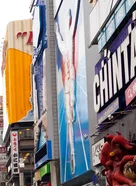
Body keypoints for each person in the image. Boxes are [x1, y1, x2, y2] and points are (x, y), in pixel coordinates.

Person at [56, 4, 79, 176]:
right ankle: (72, 156)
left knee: (72, 116)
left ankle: (73, 155)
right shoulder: (66, 45)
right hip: (67, 85)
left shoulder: (68, 43)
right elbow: (59, 38)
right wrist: (57, 29)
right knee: (70, 118)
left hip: (70, 82)